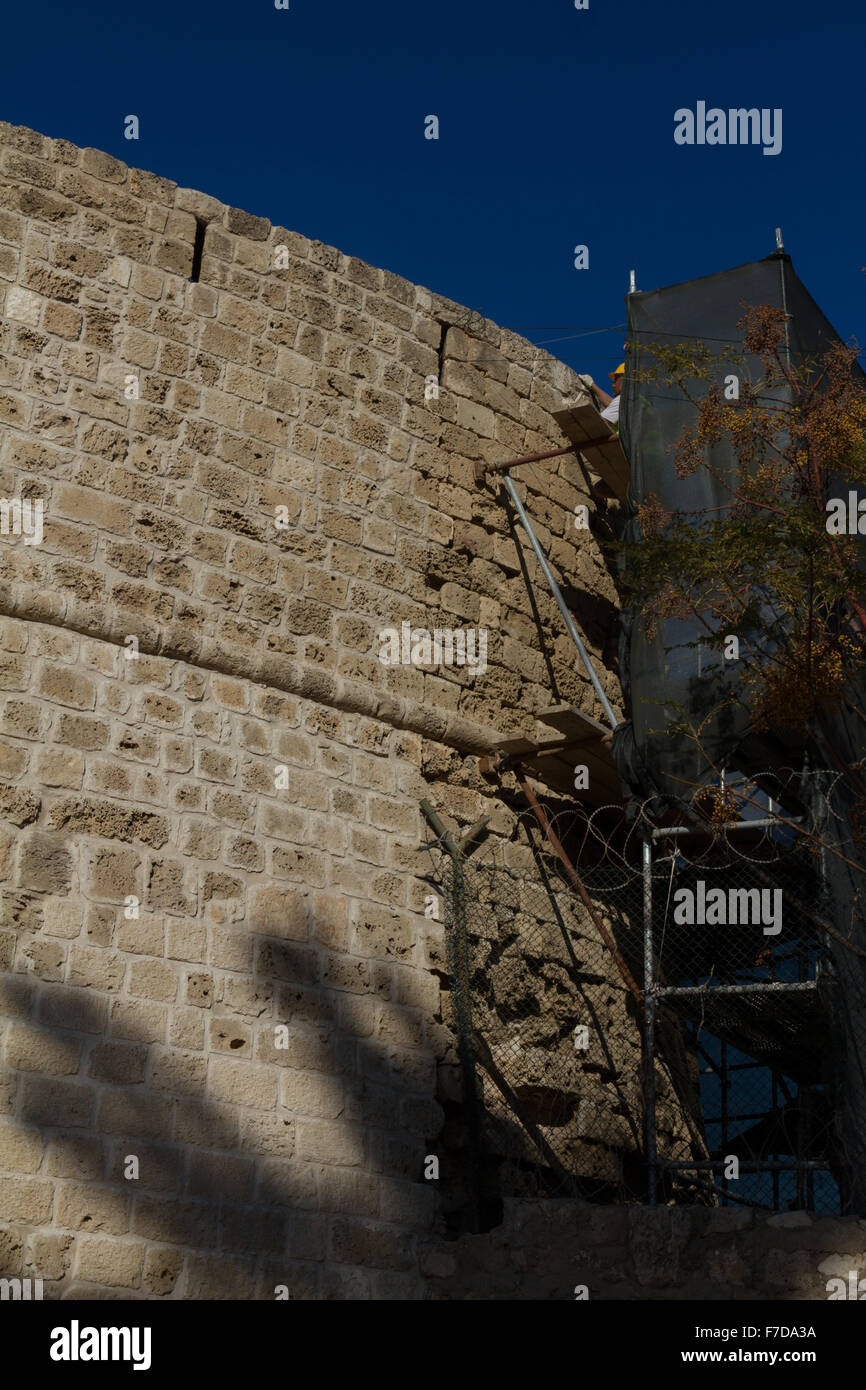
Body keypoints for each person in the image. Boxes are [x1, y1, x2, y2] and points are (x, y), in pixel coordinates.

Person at [580, 363, 624, 429]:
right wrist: (592, 384)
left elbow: (598, 426)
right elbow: (612, 404)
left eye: (616, 380)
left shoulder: (624, 400)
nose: (613, 385)